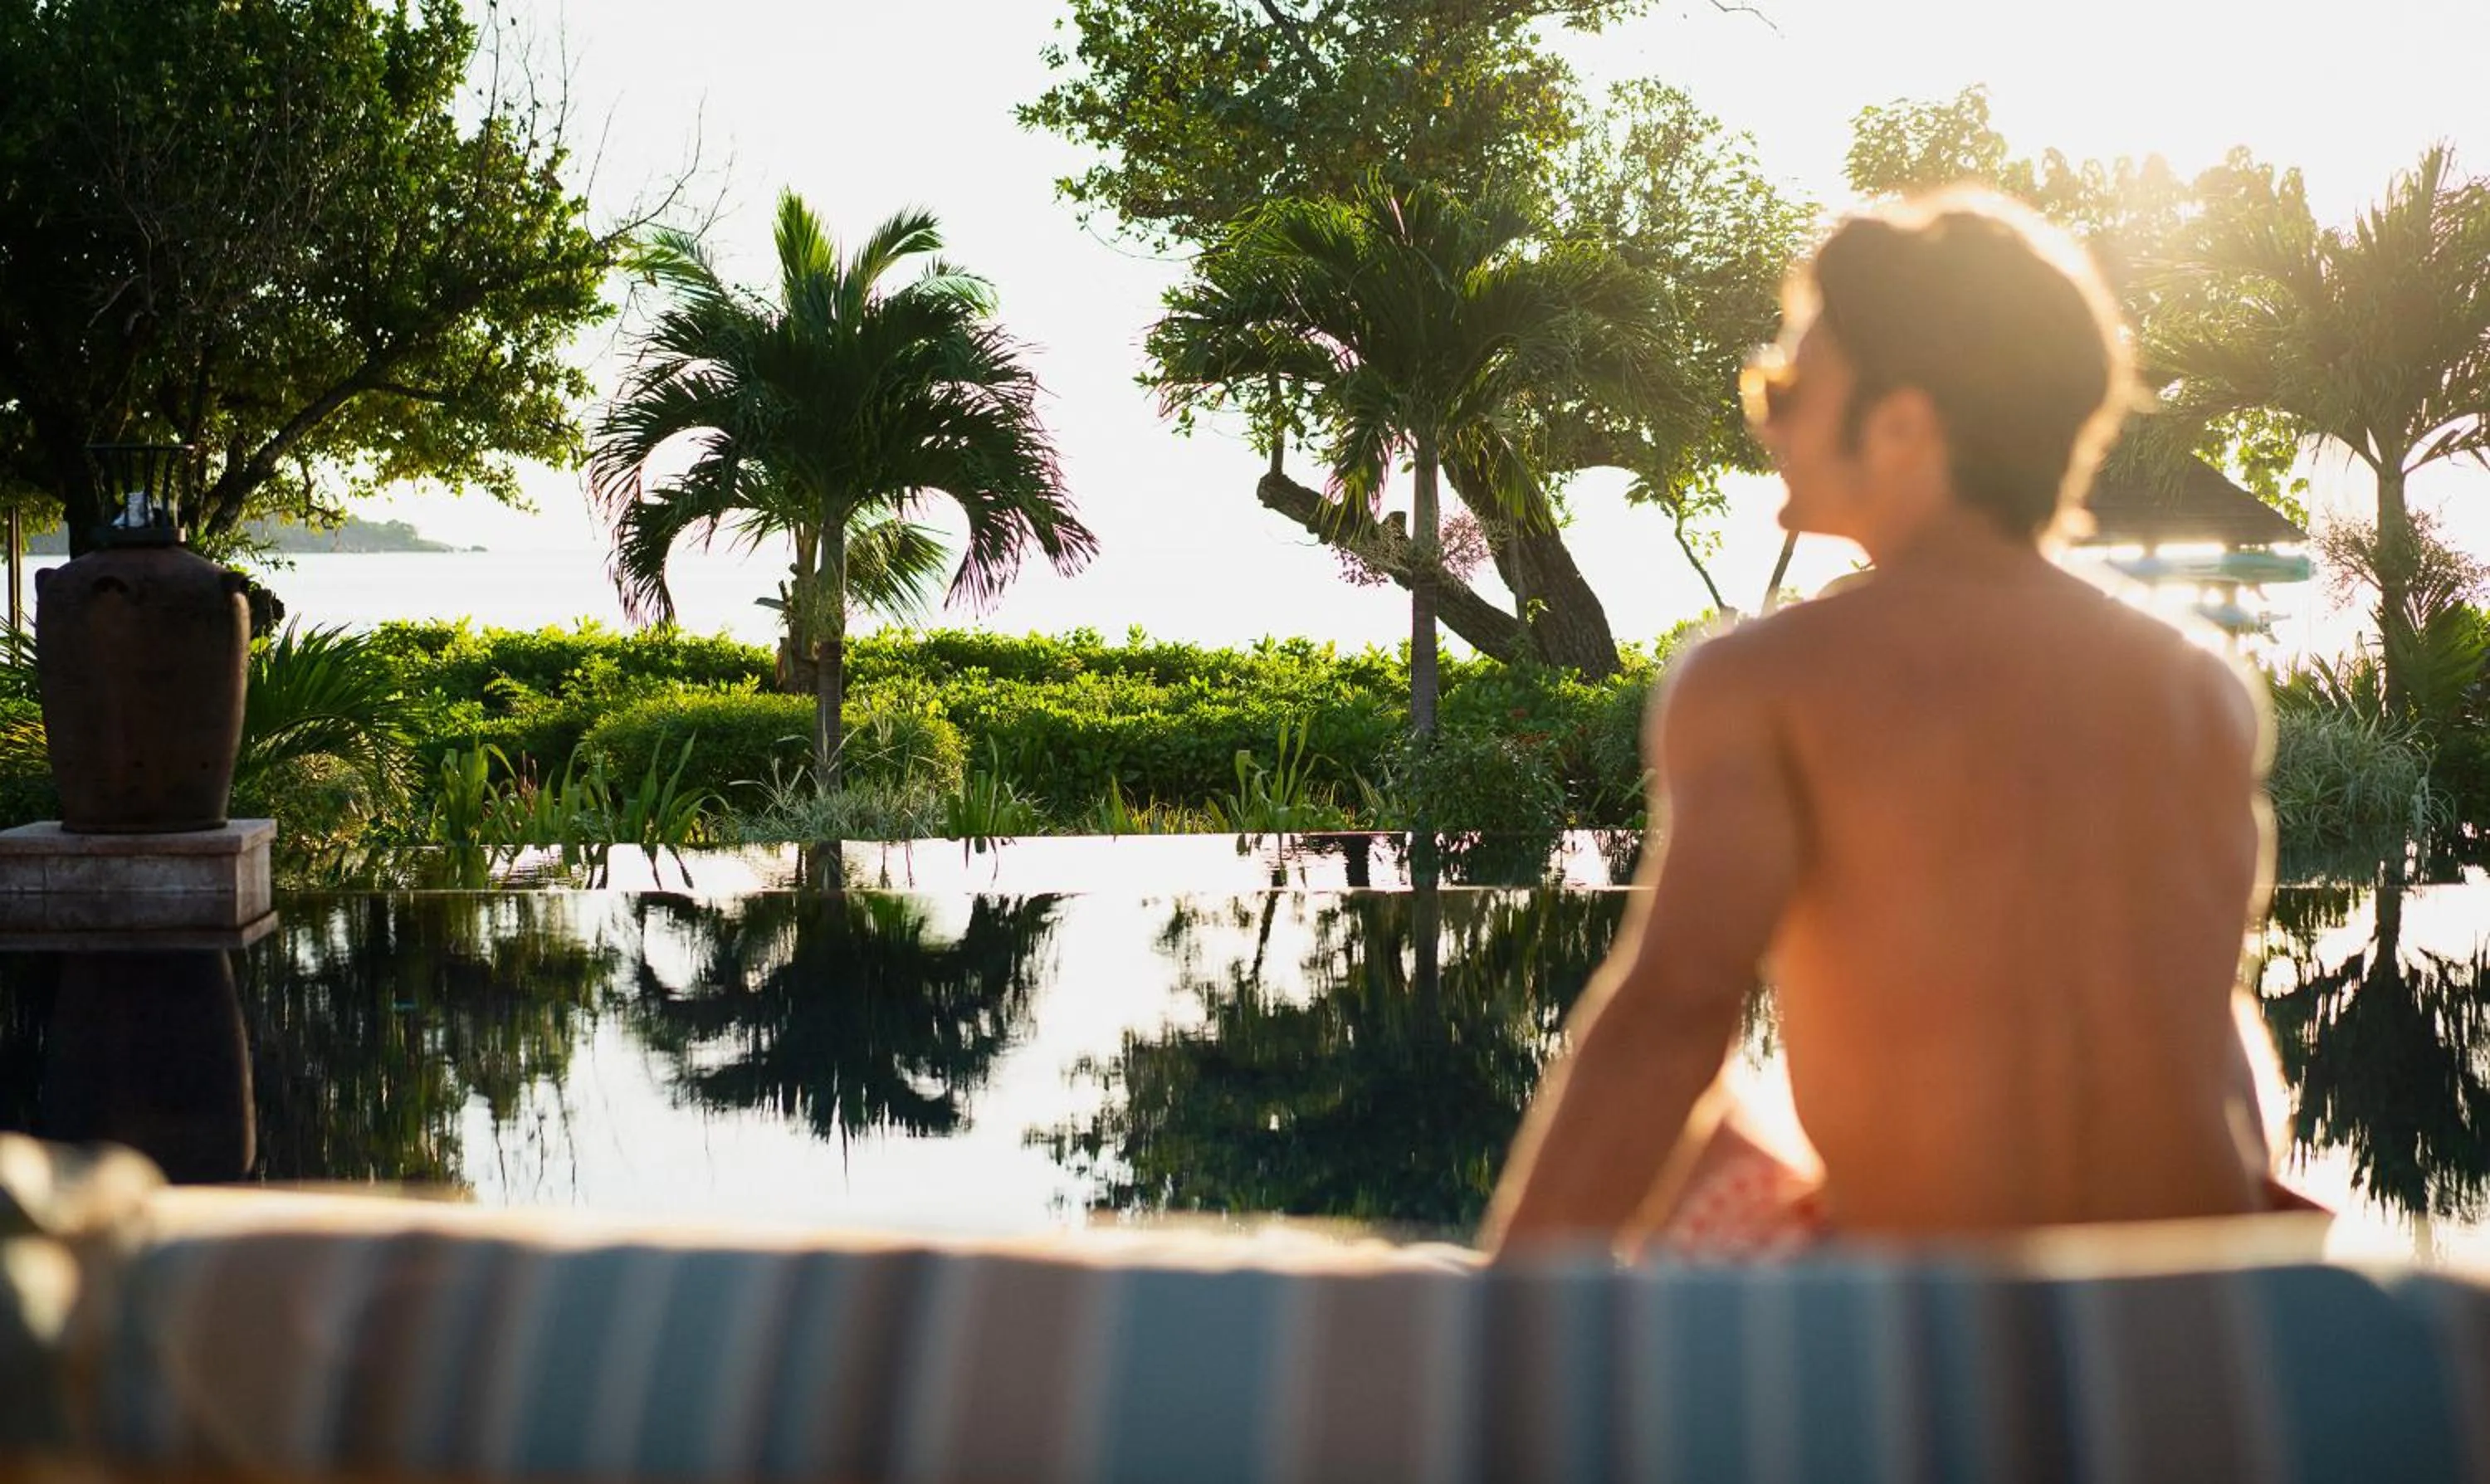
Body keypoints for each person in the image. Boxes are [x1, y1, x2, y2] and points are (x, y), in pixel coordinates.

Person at [1482, 189, 2307, 1258]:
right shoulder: (2199, 688)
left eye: (1786, 389)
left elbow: (1672, 1018)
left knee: (1710, 1141)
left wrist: (1502, 1319)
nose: (1766, 421)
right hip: (2215, 1295)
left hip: (1937, 1310)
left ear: (1904, 428)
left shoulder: (1766, 680)